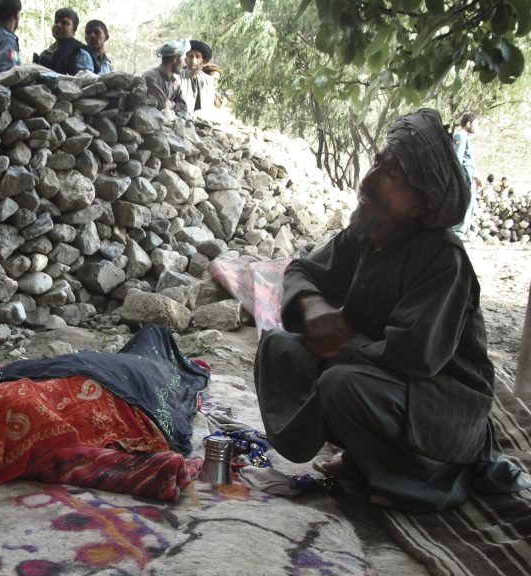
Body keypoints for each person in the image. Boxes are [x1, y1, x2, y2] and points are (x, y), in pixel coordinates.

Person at [254, 108, 529, 513]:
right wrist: (312, 306)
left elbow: (413, 355)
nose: (371, 179)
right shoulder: (368, 230)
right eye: (379, 162)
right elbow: (301, 270)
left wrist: (342, 345)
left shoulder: (442, 258)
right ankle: (369, 458)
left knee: (341, 384)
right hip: (381, 378)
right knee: (279, 346)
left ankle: (426, 478)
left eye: (392, 175)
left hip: (441, 402)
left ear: (421, 202)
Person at [32, 7, 93, 75]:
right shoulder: (45, 54)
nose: (58, 25)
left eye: (64, 22)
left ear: (74, 29)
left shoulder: (81, 54)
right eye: (56, 21)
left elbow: (85, 82)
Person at [143, 39, 190, 117]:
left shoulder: (174, 82)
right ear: (175, 59)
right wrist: (172, 105)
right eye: (184, 59)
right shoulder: (150, 77)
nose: (185, 64)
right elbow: (163, 105)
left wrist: (172, 106)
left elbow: (183, 108)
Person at [452, 112, 478, 239]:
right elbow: (458, 158)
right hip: (465, 174)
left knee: (471, 202)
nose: (476, 127)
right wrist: (461, 178)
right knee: (465, 201)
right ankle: (458, 231)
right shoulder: (460, 136)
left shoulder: (466, 137)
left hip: (470, 174)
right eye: (475, 124)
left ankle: (462, 231)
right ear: (468, 123)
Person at [179, 39, 216, 113]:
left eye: (197, 57)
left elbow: (209, 106)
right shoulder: (177, 77)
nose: (194, 60)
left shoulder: (209, 81)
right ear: (186, 60)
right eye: (190, 56)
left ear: (204, 61)